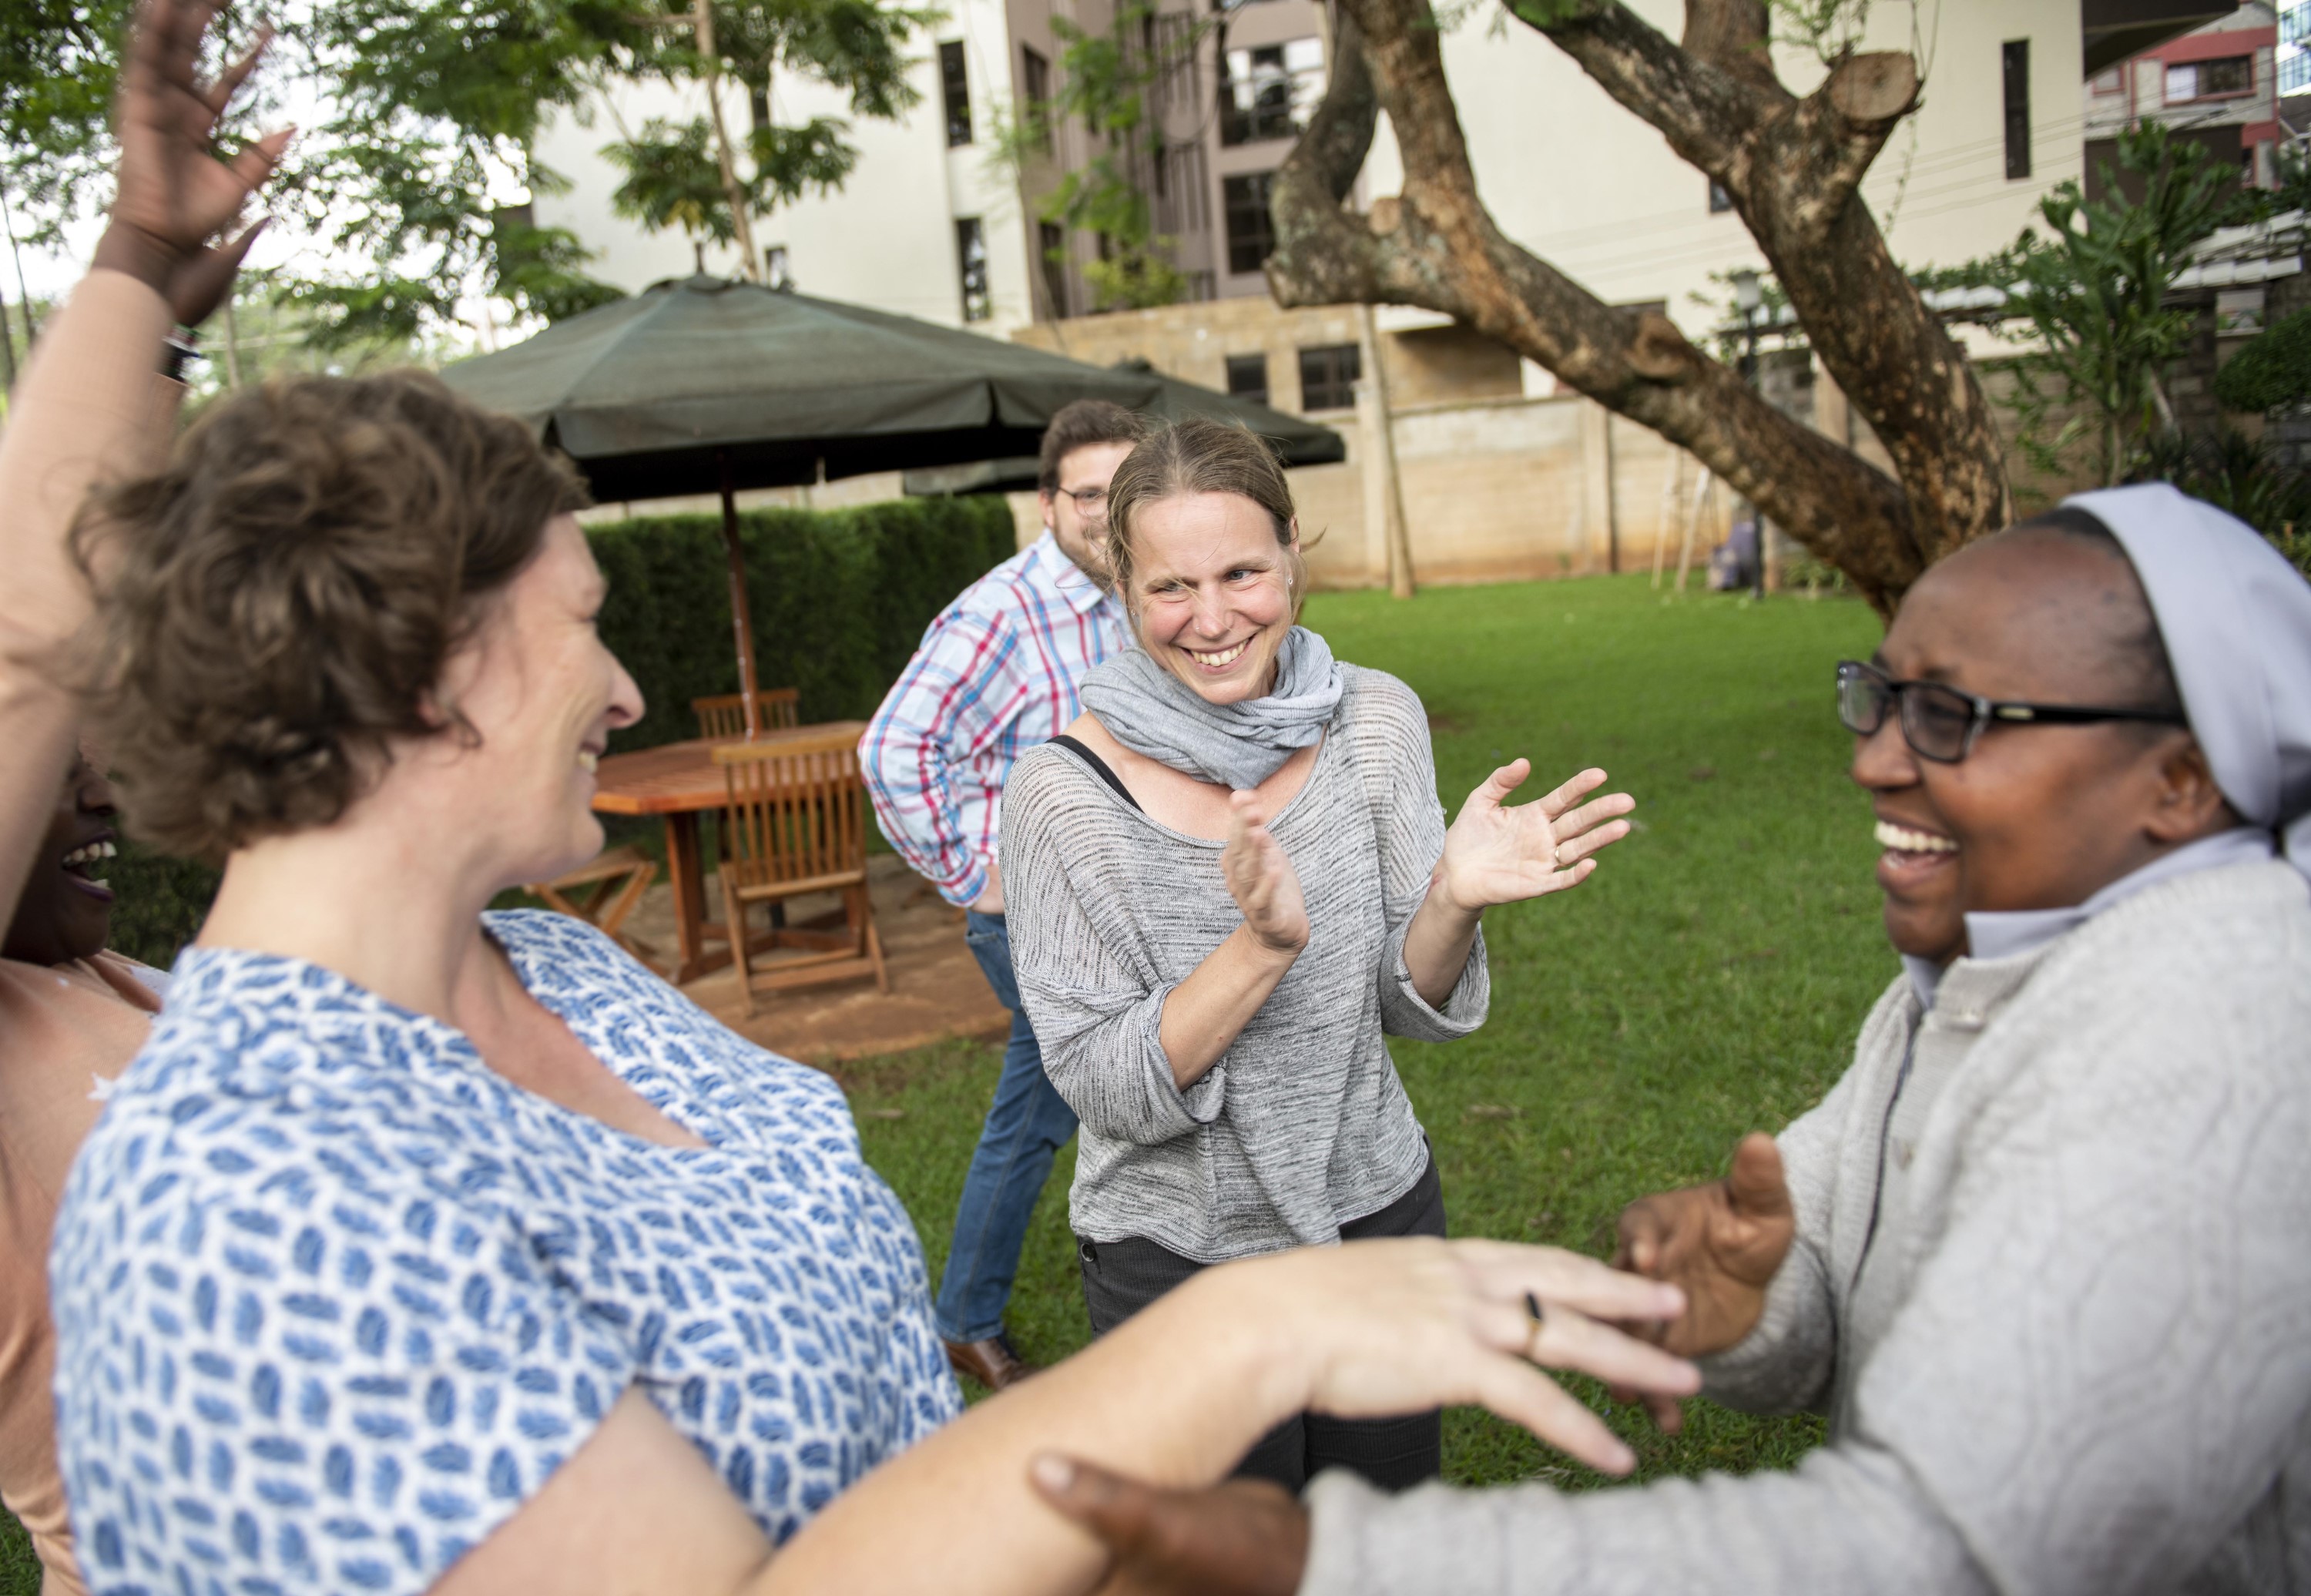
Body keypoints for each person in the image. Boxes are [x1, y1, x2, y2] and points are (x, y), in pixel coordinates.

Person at [35, 8, 1707, 1594]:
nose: (626, 694)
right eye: (587, 628)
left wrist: (136, 282)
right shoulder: (253, 1196)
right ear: (431, 679)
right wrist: (1252, 1334)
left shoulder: (562, 970)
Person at [1031, 486, 2311, 1595]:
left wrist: (1348, 1565)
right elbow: (1829, 1265)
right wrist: (1759, 1299)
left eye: (1955, 719)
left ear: (2182, 781)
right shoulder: (1974, 974)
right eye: (1883, 696)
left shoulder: (2211, 1035)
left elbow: (1944, 1551)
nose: (1871, 760)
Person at [999, 418, 1637, 1495]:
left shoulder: (1374, 722)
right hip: (1182, 1261)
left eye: (1243, 571)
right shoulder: (1061, 798)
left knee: (1384, 1547)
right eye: (1171, 587)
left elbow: (1404, 996)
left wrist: (1451, 898)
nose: (1212, 619)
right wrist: (1261, 949)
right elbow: (1105, 1088)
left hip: (1378, 1210)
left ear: (1294, 552)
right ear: (1122, 588)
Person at [0, 18, 275, 1579]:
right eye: (56, 764)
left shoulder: (116, 984)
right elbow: (23, 651)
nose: (94, 776)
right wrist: (125, 259)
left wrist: (158, 332)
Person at [860, 399, 1141, 1390]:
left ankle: (980, 1307)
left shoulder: (1128, 594)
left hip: (1113, 902)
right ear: (1047, 502)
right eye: (1091, 496)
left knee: (1067, 1102)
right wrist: (977, 874)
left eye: (1129, 492)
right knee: (1069, 1101)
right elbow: (895, 749)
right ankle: (973, 1313)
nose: (1111, 515)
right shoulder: (1002, 612)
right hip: (1032, 915)